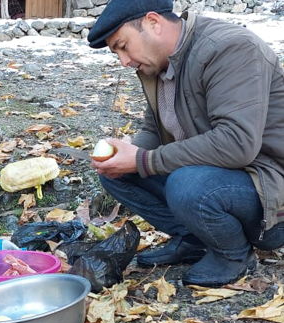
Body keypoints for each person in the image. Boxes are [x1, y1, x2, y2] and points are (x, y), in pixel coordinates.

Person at [87, 0, 284, 287]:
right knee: (117, 175)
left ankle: (233, 255)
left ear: (153, 23)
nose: (123, 61)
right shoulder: (158, 65)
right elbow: (154, 130)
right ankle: (196, 240)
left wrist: (143, 160)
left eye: (123, 46)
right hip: (219, 175)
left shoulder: (230, 48)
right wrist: (124, 157)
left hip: (270, 191)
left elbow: (237, 143)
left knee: (186, 185)